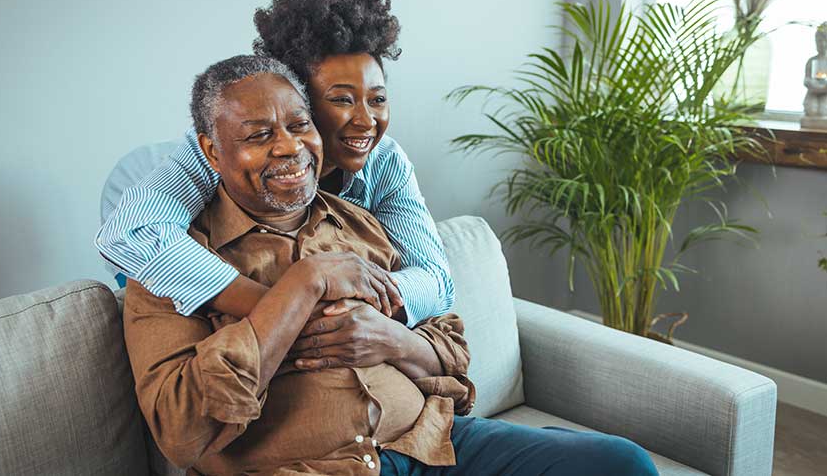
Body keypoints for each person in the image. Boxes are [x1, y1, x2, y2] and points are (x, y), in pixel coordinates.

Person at [123, 54, 659, 475]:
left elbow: (452, 353)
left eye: (299, 125)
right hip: (311, 468)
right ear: (211, 151)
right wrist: (303, 285)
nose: (288, 147)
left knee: (621, 463)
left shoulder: (360, 221)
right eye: (259, 135)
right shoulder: (170, 265)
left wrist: (393, 340)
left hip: (433, 444)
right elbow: (182, 431)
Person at [96, 0, 452, 329]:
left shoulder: (385, 160)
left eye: (378, 99)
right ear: (296, 97)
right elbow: (129, 233)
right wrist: (288, 309)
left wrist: (354, 311)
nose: (366, 121)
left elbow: (436, 280)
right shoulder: (218, 147)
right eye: (342, 99)